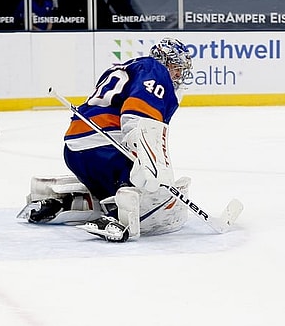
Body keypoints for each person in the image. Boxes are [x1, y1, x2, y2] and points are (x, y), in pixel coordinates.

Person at [21, 37, 194, 242]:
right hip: (106, 149)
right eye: (176, 67)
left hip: (75, 150)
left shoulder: (127, 68)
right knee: (142, 187)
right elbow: (138, 118)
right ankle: (118, 219)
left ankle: (64, 203)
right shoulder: (156, 70)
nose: (179, 75)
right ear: (164, 61)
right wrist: (149, 163)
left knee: (108, 194)